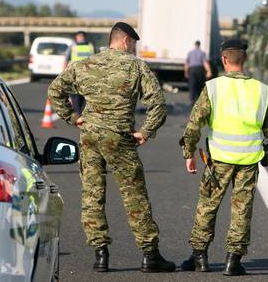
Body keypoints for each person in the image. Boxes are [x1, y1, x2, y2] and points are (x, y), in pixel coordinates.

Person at [47, 22, 175, 273]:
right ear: (126, 41)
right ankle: (150, 255)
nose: (135, 49)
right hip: (119, 137)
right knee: (134, 195)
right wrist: (146, 131)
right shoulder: (136, 66)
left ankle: (100, 254)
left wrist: (73, 118)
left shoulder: (84, 65)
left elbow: (55, 90)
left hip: (90, 136)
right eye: (134, 44)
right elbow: (158, 103)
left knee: (92, 194)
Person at [179, 39, 268, 276]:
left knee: (207, 206)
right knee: (242, 209)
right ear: (244, 60)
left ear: (224, 60)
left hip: (218, 159)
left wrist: (189, 153)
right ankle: (233, 260)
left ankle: (200, 256)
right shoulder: (262, 90)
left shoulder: (213, 87)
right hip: (248, 160)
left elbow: (194, 123)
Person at [68, 31, 95, 114]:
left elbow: (96, 59)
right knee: (75, 95)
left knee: (85, 96)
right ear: (76, 37)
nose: (81, 38)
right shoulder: (73, 47)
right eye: (79, 36)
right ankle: (77, 114)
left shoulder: (91, 46)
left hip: (88, 75)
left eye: (82, 36)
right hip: (75, 74)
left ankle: (81, 114)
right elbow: (66, 59)